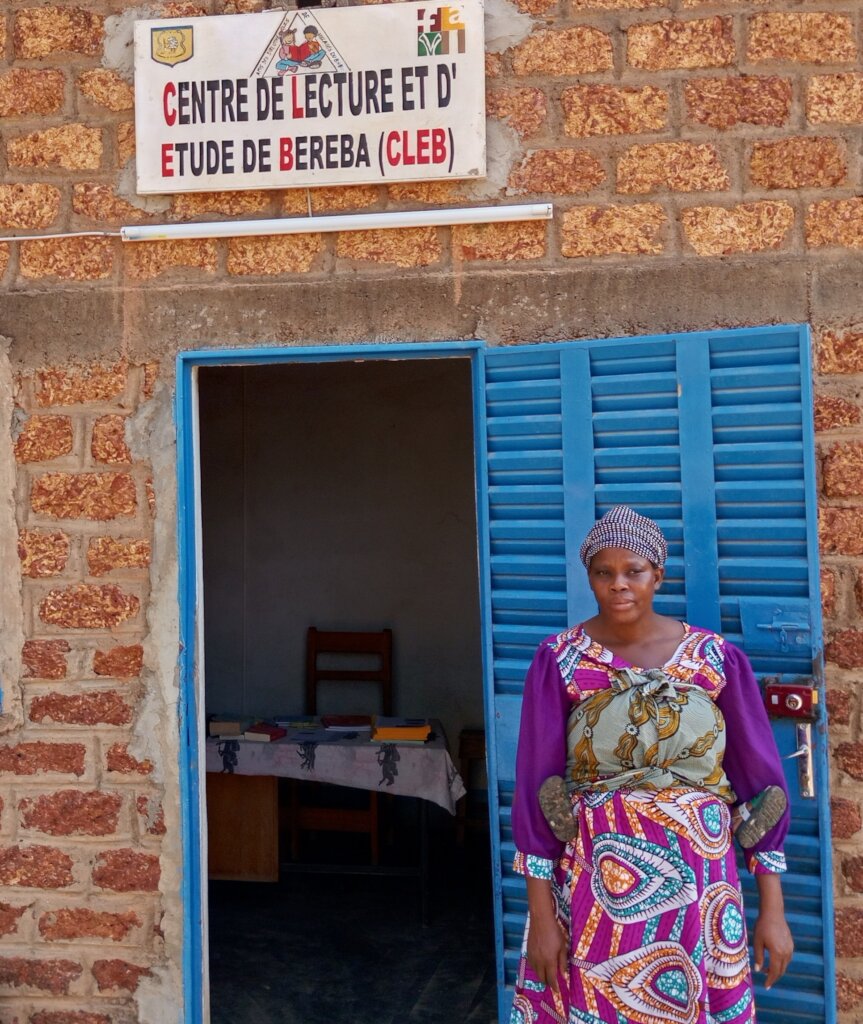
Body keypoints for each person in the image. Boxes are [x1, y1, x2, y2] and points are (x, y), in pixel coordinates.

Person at [511, 505, 794, 1024]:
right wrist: (541, 915)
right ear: (589, 577)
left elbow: (762, 791)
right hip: (597, 884)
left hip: (704, 884)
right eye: (603, 572)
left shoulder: (714, 659)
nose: (619, 585)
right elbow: (537, 788)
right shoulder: (561, 660)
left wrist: (772, 908)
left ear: (657, 575)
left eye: (633, 571)